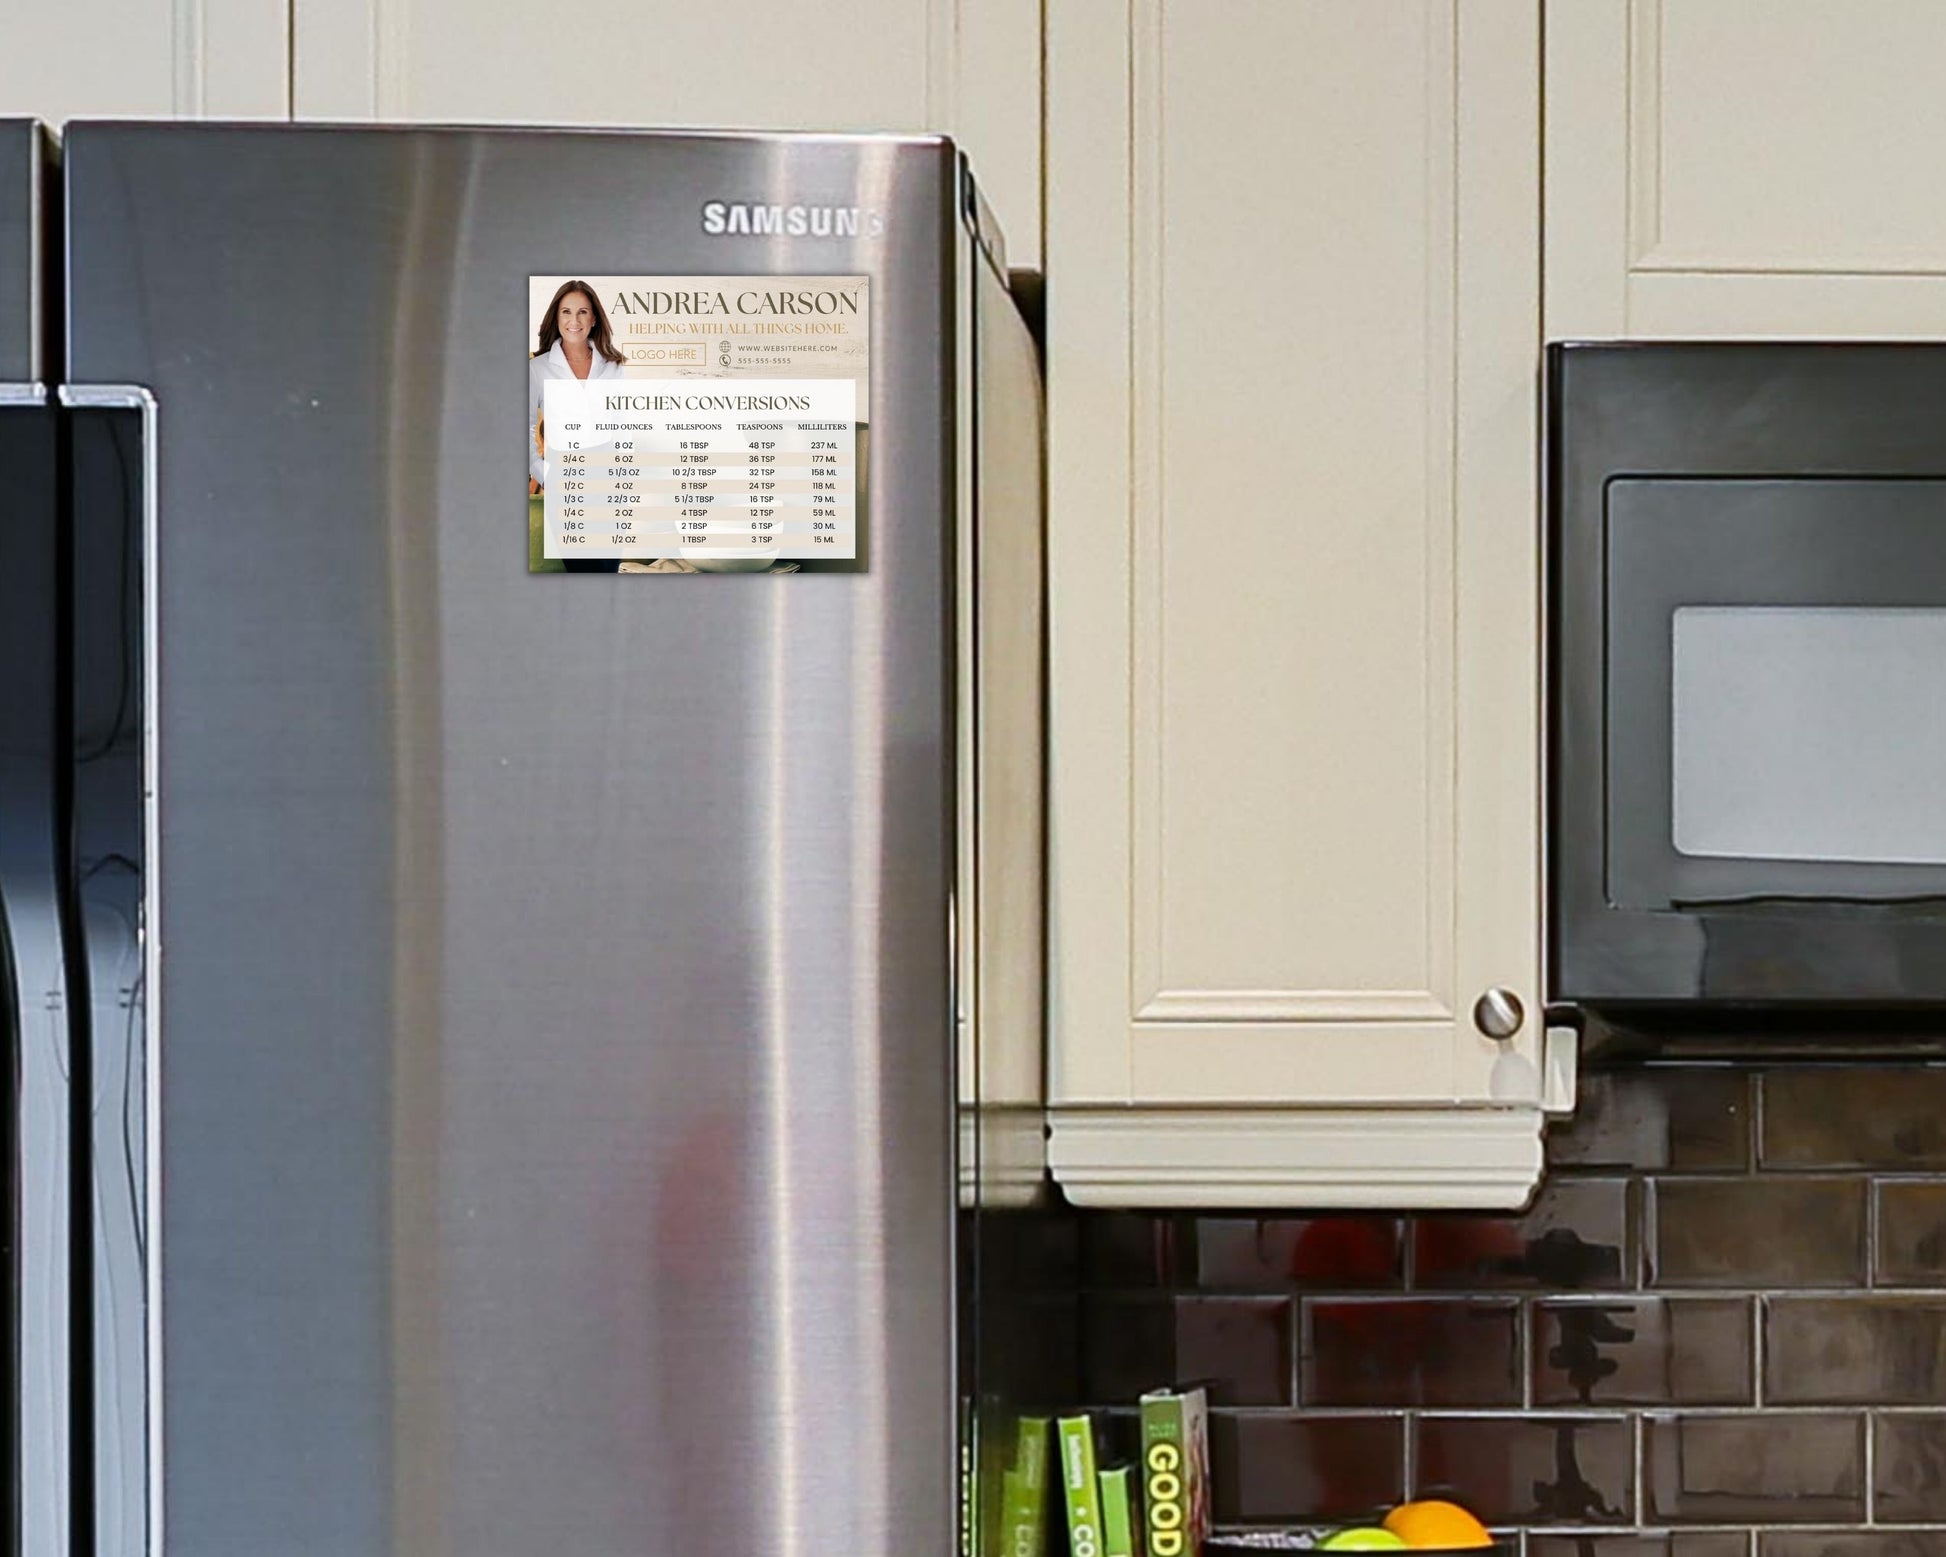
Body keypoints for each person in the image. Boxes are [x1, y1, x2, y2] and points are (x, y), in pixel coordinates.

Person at [530, 279, 626, 572]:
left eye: (583, 312)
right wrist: (545, 473)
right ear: (556, 318)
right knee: (583, 571)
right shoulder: (538, 368)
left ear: (594, 318)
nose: (574, 320)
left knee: (608, 571)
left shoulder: (614, 366)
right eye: (566, 312)